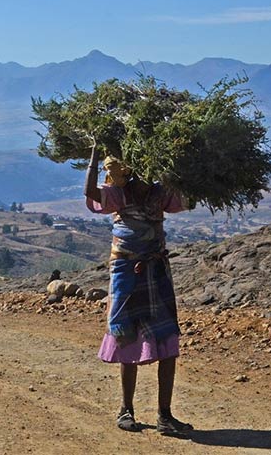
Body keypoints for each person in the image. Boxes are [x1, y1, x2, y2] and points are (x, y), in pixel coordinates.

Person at [83, 144, 194, 437]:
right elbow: (92, 194)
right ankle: (126, 409)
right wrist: (94, 158)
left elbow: (188, 198)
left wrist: (193, 168)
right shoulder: (120, 193)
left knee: (168, 337)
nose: (146, 176)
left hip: (156, 269)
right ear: (131, 171)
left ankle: (165, 415)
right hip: (126, 270)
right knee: (125, 336)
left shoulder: (161, 193)